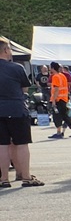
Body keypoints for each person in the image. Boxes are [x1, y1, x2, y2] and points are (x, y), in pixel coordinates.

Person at [0, 38, 43, 187]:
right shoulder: (17, 68)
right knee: (22, 143)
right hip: (16, 108)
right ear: (5, 50)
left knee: (2, 145)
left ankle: (4, 178)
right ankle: (26, 176)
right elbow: (25, 88)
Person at [46, 61, 71, 139]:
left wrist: (53, 100)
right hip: (64, 98)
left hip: (58, 99)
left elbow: (56, 89)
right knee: (65, 116)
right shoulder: (62, 76)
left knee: (57, 116)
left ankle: (59, 132)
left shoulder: (55, 76)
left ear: (52, 68)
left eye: (50, 67)